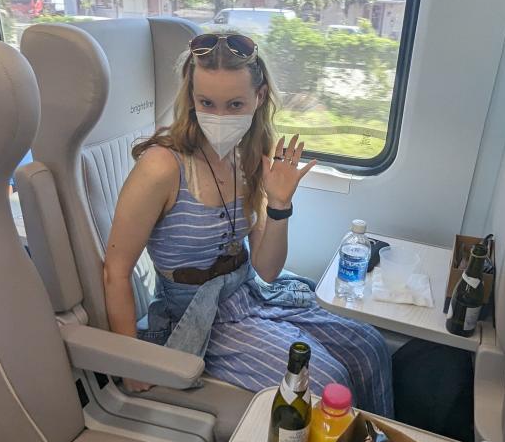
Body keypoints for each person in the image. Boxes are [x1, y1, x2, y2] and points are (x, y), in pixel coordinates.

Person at [103, 31, 393, 416]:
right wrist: (131, 361)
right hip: (197, 316)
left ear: (259, 98)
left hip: (249, 294)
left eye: (235, 104)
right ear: (190, 98)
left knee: (368, 346)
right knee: (323, 384)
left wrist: (279, 204)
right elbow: (116, 271)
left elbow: (267, 270)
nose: (219, 117)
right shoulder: (161, 167)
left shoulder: (248, 157)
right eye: (207, 102)